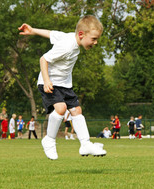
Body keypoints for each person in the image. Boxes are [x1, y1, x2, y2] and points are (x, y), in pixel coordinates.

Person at [18, 15, 106, 160]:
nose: (95, 42)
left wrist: (33, 30)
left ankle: (85, 144)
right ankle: (49, 140)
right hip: (50, 83)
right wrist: (46, 81)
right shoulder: (67, 46)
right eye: (94, 39)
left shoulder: (70, 37)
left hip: (65, 84)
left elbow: (51, 33)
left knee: (77, 110)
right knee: (61, 108)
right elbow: (44, 59)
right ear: (81, 34)